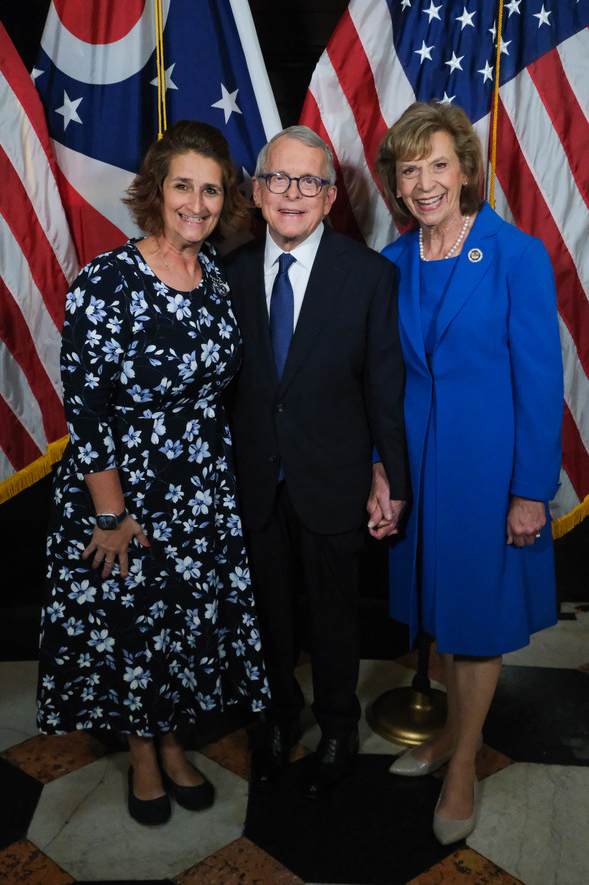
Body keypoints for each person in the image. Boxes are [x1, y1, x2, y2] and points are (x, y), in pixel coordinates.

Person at [36, 120, 269, 825]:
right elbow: (87, 407)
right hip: (127, 495)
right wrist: (111, 514)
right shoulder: (108, 280)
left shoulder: (218, 279)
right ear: (156, 191)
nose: (196, 202)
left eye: (210, 188)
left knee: (181, 628)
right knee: (134, 628)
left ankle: (172, 742)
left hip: (200, 490)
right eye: (182, 186)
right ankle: (143, 753)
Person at [371, 100, 563, 844]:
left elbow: (541, 381)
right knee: (441, 611)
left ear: (466, 170)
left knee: (478, 623)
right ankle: (454, 731)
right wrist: (383, 472)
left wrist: (529, 490)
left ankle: (461, 767)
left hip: (490, 473)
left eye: (438, 164)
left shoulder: (514, 255)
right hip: (419, 473)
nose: (424, 182)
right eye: (410, 167)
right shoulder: (392, 264)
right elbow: (382, 384)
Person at [224, 125, 408, 799]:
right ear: (255, 190)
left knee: (334, 614)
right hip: (252, 483)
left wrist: (391, 476)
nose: (291, 193)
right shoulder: (230, 273)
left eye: (308, 181)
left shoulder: (369, 277)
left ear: (330, 196)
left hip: (334, 479)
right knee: (266, 612)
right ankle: (275, 719)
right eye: (278, 178)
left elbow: (384, 389)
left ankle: (337, 723)